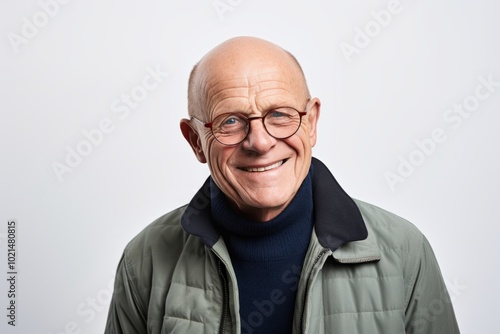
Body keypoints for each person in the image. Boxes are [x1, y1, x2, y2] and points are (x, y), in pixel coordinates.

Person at [105, 36, 460, 333]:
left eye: (279, 114)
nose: (259, 142)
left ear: (312, 122)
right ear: (196, 140)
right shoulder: (145, 259)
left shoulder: (404, 251)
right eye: (230, 120)